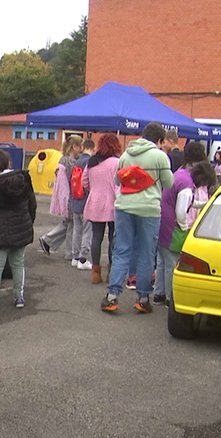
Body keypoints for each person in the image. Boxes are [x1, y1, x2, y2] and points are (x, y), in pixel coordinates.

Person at [101, 122, 173, 314]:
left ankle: (112, 296)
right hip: (149, 209)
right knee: (146, 252)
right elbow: (169, 182)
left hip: (124, 207)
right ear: (159, 140)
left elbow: (118, 180)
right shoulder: (160, 156)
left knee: (122, 250)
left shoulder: (126, 154)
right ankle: (142, 298)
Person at [153, 144, 217, 307]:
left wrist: (201, 204)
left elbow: (188, 203)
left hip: (162, 222)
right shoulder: (188, 186)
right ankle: (170, 298)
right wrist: (182, 226)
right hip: (173, 228)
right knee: (172, 264)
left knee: (162, 260)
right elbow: (181, 211)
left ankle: (159, 294)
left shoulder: (180, 174)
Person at [0, 149, 37, 309]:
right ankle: (19, 297)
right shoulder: (24, 180)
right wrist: (28, 223)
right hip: (21, 228)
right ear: (9, 162)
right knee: (18, 264)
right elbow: (32, 205)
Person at [82, 133, 121, 284]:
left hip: (95, 202)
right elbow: (120, 184)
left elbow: (84, 182)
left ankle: (95, 272)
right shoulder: (117, 163)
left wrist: (94, 189)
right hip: (113, 203)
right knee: (113, 238)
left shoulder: (92, 162)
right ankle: (111, 271)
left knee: (96, 237)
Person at [38, 135, 82, 260]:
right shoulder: (69, 162)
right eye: (80, 146)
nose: (81, 149)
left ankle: (48, 240)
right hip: (70, 197)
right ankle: (70, 252)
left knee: (68, 223)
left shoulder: (63, 160)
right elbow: (66, 185)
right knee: (72, 225)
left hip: (68, 197)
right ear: (74, 147)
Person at [71, 138, 95, 270]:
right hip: (86, 200)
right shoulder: (89, 162)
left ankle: (75, 257)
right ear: (92, 148)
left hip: (76, 199)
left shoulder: (77, 162)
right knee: (87, 230)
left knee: (77, 229)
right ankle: (83, 258)